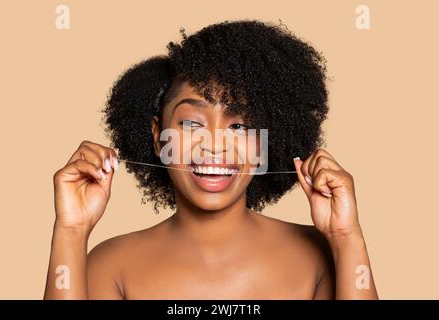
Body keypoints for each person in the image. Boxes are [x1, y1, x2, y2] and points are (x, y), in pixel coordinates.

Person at [44, 20, 378, 299]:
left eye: (239, 125)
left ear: (263, 143)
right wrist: (71, 231)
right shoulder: (111, 265)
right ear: (159, 136)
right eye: (191, 123)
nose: (215, 145)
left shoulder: (319, 259)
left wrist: (347, 238)